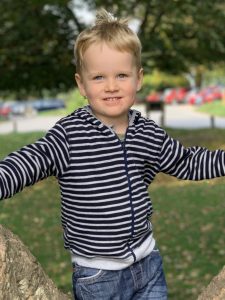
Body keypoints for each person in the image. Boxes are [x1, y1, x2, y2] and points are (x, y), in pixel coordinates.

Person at [0, 9, 225, 300]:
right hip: (98, 276)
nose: (111, 86)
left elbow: (186, 161)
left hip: (148, 263)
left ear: (138, 78)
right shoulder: (70, 134)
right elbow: (30, 161)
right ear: (81, 84)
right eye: (98, 77)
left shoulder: (146, 132)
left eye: (121, 75)